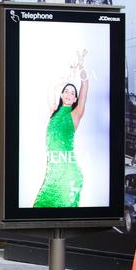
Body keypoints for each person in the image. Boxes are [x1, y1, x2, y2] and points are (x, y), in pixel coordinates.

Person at [34, 49, 89, 208]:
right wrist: (68, 77)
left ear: (75, 99)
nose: (69, 94)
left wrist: (82, 67)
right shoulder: (53, 112)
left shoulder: (75, 114)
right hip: (52, 175)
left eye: (73, 93)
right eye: (66, 91)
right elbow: (51, 86)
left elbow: (85, 86)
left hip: (68, 176)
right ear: (62, 94)